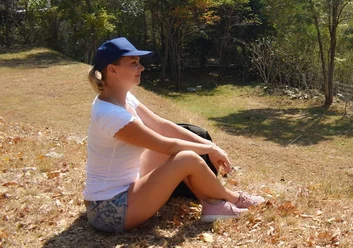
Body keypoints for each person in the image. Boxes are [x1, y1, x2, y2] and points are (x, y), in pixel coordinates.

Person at [83, 37, 264, 233]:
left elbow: (163, 126)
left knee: (180, 150)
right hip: (108, 211)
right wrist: (210, 148)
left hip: (127, 187)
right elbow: (168, 146)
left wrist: (212, 146)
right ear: (113, 70)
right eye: (134, 63)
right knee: (185, 157)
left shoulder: (123, 98)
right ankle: (233, 198)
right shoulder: (111, 115)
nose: (141, 68)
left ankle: (212, 204)